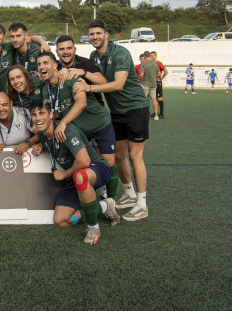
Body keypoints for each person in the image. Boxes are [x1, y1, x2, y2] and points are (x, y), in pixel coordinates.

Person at [73, 19, 150, 221]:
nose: (95, 37)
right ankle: (129, 193)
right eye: (91, 34)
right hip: (115, 112)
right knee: (118, 156)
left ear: (106, 34)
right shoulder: (93, 55)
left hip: (135, 108)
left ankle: (142, 204)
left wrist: (88, 87)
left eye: (98, 33)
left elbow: (118, 85)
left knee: (135, 156)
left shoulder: (120, 53)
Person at [30, 101, 120, 245]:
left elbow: (84, 161)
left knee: (81, 176)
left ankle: (93, 228)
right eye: (34, 115)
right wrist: (39, 146)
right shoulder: (42, 135)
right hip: (76, 175)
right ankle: (104, 206)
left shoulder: (66, 130)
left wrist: (64, 175)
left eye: (42, 113)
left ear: (51, 115)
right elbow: (49, 142)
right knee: (61, 221)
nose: (38, 118)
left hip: (95, 167)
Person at [34, 52, 118, 181]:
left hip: (98, 123)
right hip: (80, 129)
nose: (41, 66)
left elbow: (81, 103)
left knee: (109, 162)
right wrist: (42, 142)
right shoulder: (46, 90)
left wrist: (63, 123)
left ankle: (111, 197)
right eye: (39, 64)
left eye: (45, 63)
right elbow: (51, 115)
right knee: (87, 163)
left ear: (55, 65)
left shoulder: (70, 77)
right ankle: (97, 193)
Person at [54, 35, 106, 105]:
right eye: (61, 49)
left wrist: (84, 72)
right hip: (71, 109)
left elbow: (104, 82)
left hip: (92, 110)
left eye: (69, 48)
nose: (65, 52)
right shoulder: (57, 67)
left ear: (75, 50)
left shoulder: (84, 63)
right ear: (57, 52)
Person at [139, 51, 160, 120]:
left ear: (144, 56)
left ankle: (143, 115)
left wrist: (140, 81)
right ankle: (156, 115)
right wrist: (154, 76)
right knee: (154, 99)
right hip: (153, 84)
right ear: (149, 56)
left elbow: (141, 75)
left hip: (145, 84)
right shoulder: (155, 64)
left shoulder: (143, 64)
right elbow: (159, 74)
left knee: (144, 99)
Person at [150, 51, 167, 118]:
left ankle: (161, 114)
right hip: (152, 82)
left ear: (155, 56)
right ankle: (156, 112)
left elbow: (166, 71)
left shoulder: (159, 63)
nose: (151, 57)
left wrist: (161, 78)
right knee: (155, 98)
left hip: (157, 82)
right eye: (150, 56)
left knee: (159, 98)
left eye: (151, 55)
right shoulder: (151, 63)